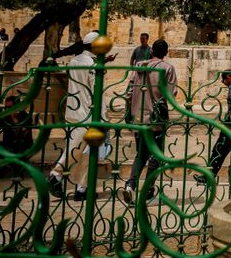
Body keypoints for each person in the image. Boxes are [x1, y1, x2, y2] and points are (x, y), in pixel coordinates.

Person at [48, 31, 108, 201]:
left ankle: (82, 188)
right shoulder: (93, 64)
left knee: (80, 151)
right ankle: (57, 175)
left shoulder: (74, 61)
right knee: (85, 152)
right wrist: (103, 118)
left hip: (73, 111)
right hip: (89, 113)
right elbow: (98, 92)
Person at [122, 39, 177, 205]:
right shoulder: (167, 68)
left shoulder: (139, 66)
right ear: (166, 53)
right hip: (156, 118)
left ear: (152, 51)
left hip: (138, 116)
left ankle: (131, 185)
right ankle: (148, 188)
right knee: (155, 156)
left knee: (141, 154)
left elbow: (129, 92)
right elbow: (170, 94)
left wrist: (128, 112)